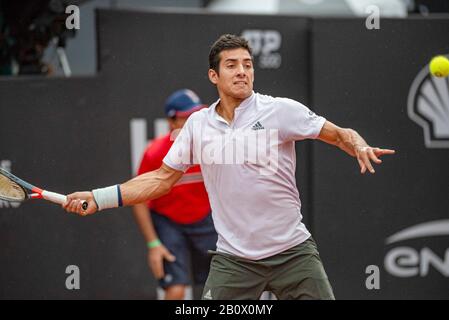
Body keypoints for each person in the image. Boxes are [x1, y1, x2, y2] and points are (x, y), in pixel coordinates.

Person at [63, 34, 395, 300]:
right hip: (235, 262)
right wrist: (100, 197)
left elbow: (337, 134)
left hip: (293, 254)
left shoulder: (280, 111)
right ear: (214, 75)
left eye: (247, 65)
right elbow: (161, 180)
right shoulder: (197, 125)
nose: (242, 72)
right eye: (232, 65)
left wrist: (358, 144)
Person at [132, 89, 217, 300]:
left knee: (217, 291)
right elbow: (138, 200)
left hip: (206, 220)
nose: (194, 121)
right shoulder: (154, 153)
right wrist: (153, 244)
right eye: (187, 116)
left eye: (197, 115)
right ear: (171, 121)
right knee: (176, 290)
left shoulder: (213, 147)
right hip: (168, 223)